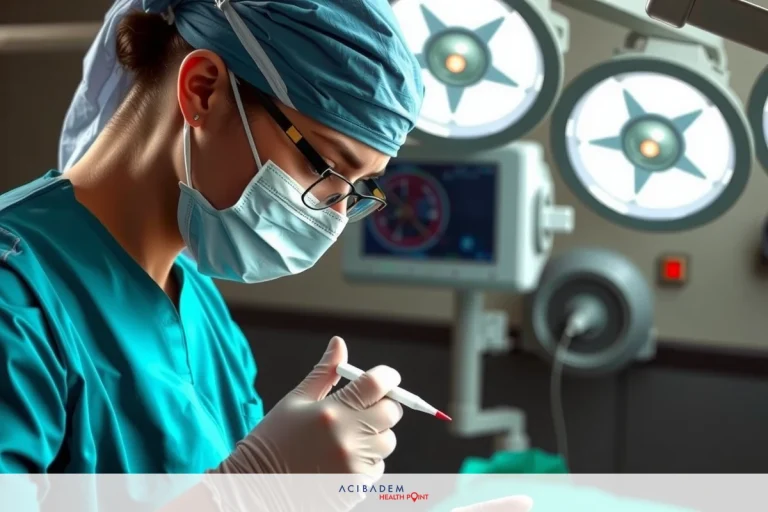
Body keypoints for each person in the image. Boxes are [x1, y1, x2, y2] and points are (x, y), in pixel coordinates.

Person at [0, 0, 423, 501]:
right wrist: (253, 489)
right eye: (325, 167)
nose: (335, 213)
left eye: (359, 188)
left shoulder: (201, 306)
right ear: (202, 89)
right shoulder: (15, 298)